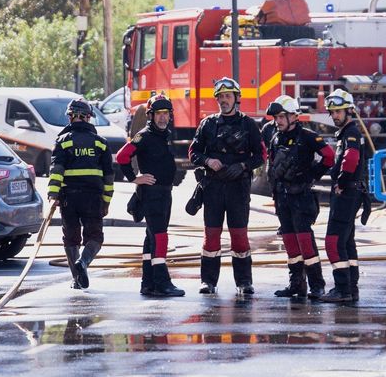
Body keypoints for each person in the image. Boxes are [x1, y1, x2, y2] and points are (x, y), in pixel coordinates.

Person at [188, 77, 266, 295]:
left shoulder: (248, 125)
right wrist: (207, 161)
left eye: (227, 96)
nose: (223, 100)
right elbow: (193, 152)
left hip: (238, 188)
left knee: (239, 235)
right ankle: (208, 281)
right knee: (211, 235)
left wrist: (242, 166)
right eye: (220, 97)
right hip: (212, 187)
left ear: (236, 98)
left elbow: (261, 155)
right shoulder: (208, 124)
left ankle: (244, 282)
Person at [266, 95, 334, 299]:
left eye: (280, 117)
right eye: (276, 117)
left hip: (301, 198)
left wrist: (313, 174)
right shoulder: (276, 137)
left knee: (305, 240)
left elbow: (329, 156)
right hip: (283, 198)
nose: (277, 121)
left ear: (293, 116)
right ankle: (296, 284)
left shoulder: (308, 137)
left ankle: (317, 285)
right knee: (289, 241)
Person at [116, 93, 185, 297]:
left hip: (164, 193)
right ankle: (163, 283)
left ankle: (148, 283)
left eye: (166, 113)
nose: (163, 118)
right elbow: (122, 156)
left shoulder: (165, 135)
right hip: (152, 195)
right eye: (159, 114)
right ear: (151, 116)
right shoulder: (144, 135)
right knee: (160, 236)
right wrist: (134, 178)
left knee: (150, 239)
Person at [47, 99, 114, 290]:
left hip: (69, 197)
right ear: (88, 118)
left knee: (71, 238)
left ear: (70, 117)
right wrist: (106, 201)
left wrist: (53, 195)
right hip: (93, 198)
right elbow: (109, 176)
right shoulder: (101, 143)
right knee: (95, 236)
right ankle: (83, 263)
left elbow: (56, 170)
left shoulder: (62, 141)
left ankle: (76, 279)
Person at [320, 89, 366, 303]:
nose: (335, 115)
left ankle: (342, 289)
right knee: (347, 242)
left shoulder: (351, 133)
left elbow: (351, 158)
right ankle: (351, 287)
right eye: (332, 112)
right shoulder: (347, 133)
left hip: (347, 193)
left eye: (338, 111)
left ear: (349, 111)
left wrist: (342, 182)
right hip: (352, 193)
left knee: (333, 241)